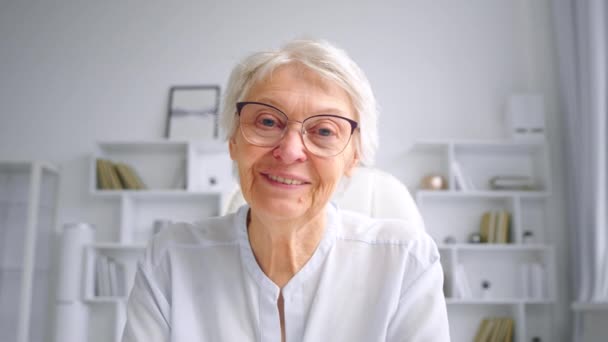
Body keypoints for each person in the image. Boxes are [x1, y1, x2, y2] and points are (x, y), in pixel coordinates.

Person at [122, 39, 450, 342]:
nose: (290, 151)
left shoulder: (405, 260)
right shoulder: (171, 258)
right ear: (233, 140)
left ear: (353, 158)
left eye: (324, 130)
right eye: (267, 122)